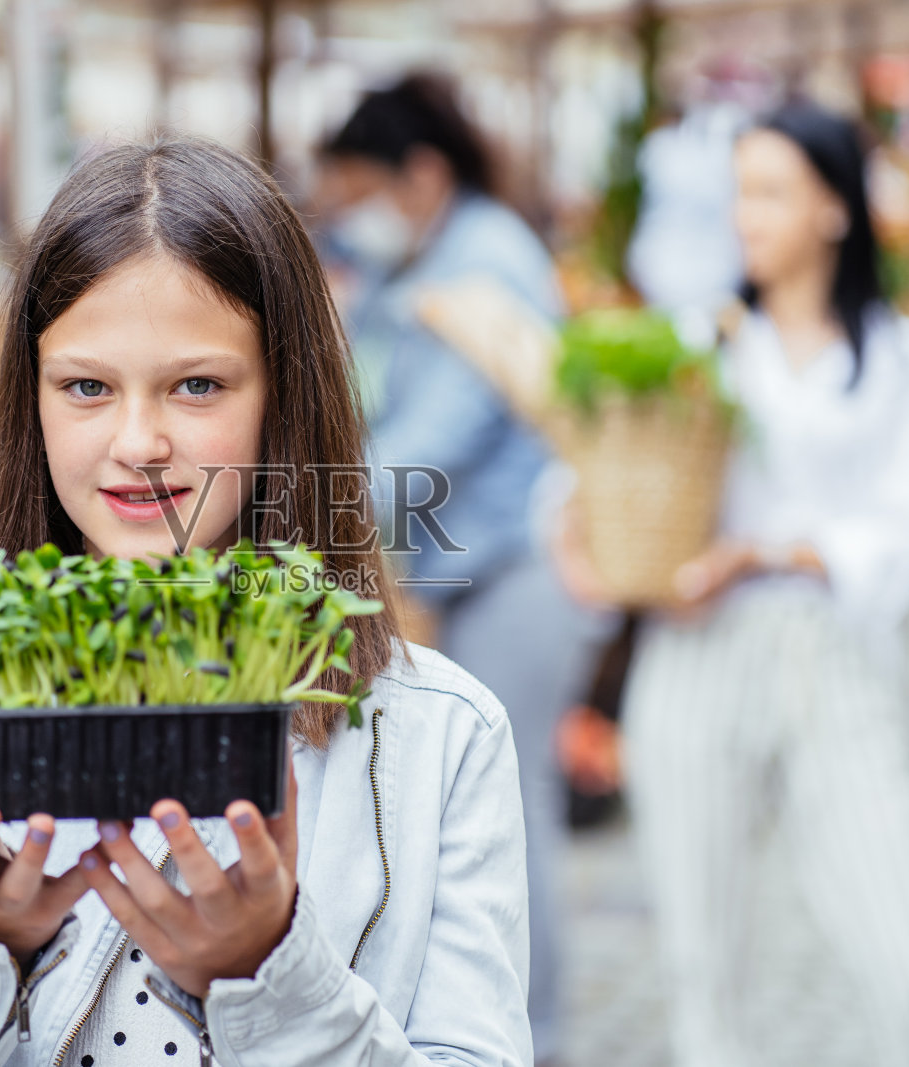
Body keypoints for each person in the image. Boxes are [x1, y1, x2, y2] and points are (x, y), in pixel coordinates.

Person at [0, 137, 533, 1067]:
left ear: (284, 398)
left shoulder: (442, 733)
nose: (139, 441)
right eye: (87, 386)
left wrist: (272, 977)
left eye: (197, 385)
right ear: (32, 398)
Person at [556, 102, 909, 1067]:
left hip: (833, 659)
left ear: (835, 208)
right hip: (695, 656)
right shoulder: (697, 343)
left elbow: (905, 532)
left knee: (906, 951)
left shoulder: (902, 358)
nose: (748, 215)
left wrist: (767, 555)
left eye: (774, 192)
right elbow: (592, 479)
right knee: (703, 970)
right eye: (741, 192)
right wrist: (586, 546)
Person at [318, 72, 613, 1064]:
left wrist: (301, 509)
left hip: (516, 572)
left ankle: (538, 1038)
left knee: (508, 815)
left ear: (422, 173)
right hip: (456, 575)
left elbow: (431, 443)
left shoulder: (484, 263)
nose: (352, 214)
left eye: (361, 190)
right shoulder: (424, 258)